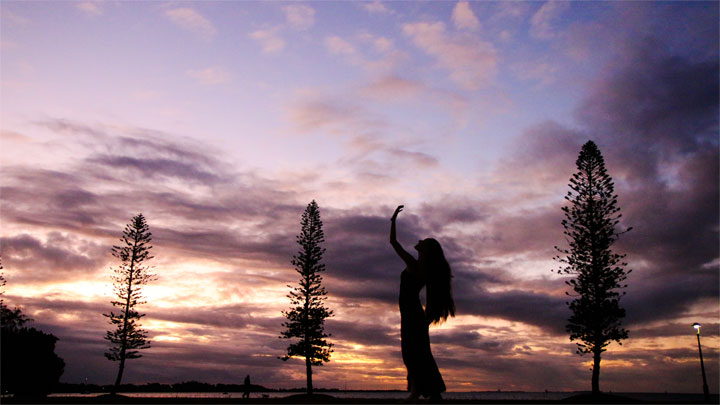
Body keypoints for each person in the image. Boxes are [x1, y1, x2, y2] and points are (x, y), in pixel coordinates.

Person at [390, 205, 455, 403]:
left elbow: (393, 242)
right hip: (414, 313)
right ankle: (424, 391)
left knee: (412, 353)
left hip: (411, 314)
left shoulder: (414, 265)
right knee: (418, 353)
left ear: (425, 250)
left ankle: (420, 391)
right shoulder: (425, 269)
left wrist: (393, 220)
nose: (419, 241)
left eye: (423, 242)